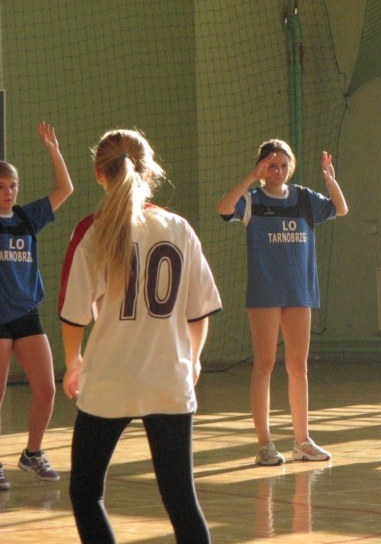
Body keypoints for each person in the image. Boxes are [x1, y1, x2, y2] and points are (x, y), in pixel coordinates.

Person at [59, 129, 221, 543]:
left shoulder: (92, 232)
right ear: (149, 171)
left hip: (109, 379)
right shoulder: (178, 228)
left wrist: (73, 363)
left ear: (99, 174)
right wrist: (193, 359)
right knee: (181, 500)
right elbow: (199, 311)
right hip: (168, 379)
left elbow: (74, 316)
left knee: (86, 493)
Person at [217, 139, 348, 466]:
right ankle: (264, 444)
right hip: (265, 292)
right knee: (264, 364)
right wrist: (252, 177)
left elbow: (341, 209)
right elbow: (224, 208)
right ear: (262, 167)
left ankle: (302, 441)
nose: (278, 171)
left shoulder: (304, 198)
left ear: (292, 167)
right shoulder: (253, 200)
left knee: (298, 367)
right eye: (271, 165)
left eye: (283, 165)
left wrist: (330, 180)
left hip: (299, 291)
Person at [0, 122, 73, 489]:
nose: (8, 192)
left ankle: (32, 453)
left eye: (12, 186)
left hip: (28, 313)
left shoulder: (27, 218)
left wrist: (53, 150)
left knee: (46, 390)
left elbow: (65, 189)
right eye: (1, 187)